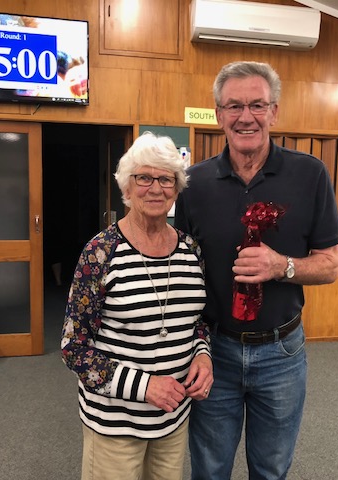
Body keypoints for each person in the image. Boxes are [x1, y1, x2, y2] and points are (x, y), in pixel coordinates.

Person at [175, 61, 338, 480]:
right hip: (214, 351)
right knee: (209, 468)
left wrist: (280, 265)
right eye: (233, 106)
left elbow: (329, 265)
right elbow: (179, 270)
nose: (245, 116)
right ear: (218, 115)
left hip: (281, 352)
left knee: (270, 470)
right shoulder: (193, 184)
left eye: (256, 105)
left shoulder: (310, 175)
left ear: (274, 111)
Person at [61, 131, 213, 480]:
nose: (156, 188)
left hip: (172, 418)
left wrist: (203, 355)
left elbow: (198, 322)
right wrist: (144, 386)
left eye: (166, 179)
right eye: (144, 177)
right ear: (126, 187)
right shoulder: (100, 253)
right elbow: (74, 348)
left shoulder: (191, 250)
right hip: (115, 423)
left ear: (176, 188)